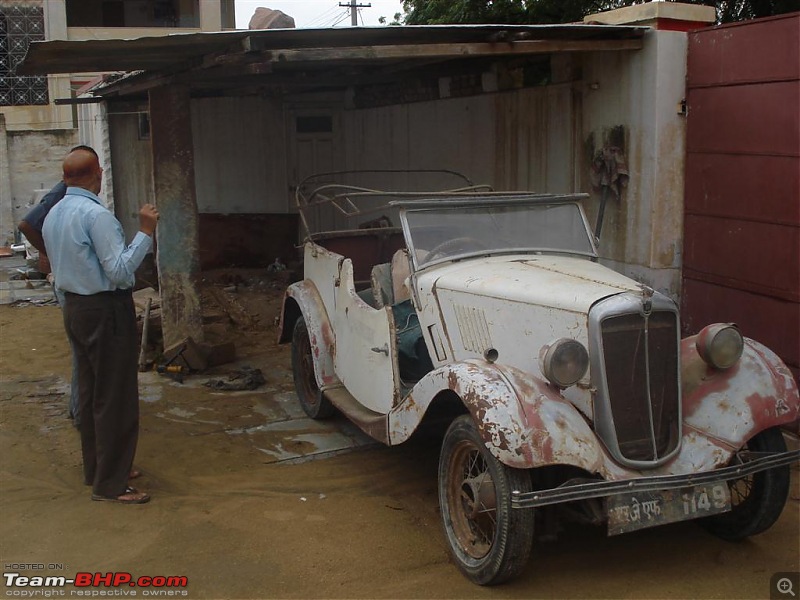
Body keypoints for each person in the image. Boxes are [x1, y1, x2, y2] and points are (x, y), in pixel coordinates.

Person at [43, 146, 159, 504]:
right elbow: (121, 273)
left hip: (75, 308)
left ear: (65, 178)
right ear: (98, 174)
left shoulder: (53, 214)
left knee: (93, 391)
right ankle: (111, 484)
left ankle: (99, 469)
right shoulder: (96, 216)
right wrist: (145, 231)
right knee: (115, 397)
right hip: (105, 310)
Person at [17, 145, 98, 428]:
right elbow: (26, 225)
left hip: (72, 281)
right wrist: (49, 253)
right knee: (83, 352)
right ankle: (80, 411)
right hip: (72, 285)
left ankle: (81, 409)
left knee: (83, 350)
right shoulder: (64, 191)